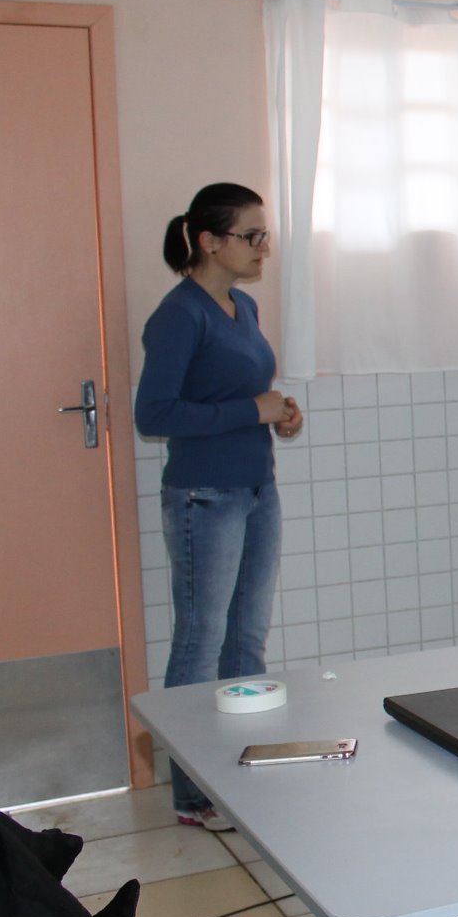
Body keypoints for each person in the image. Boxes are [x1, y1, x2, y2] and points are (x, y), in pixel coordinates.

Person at [134, 183, 302, 831]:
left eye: (265, 236)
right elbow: (155, 414)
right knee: (200, 642)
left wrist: (279, 413)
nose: (263, 248)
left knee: (246, 640)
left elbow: (243, 393)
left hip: (257, 489)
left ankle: (239, 774)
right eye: (250, 236)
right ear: (209, 241)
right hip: (204, 498)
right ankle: (192, 792)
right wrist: (248, 411)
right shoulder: (179, 315)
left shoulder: (244, 306)